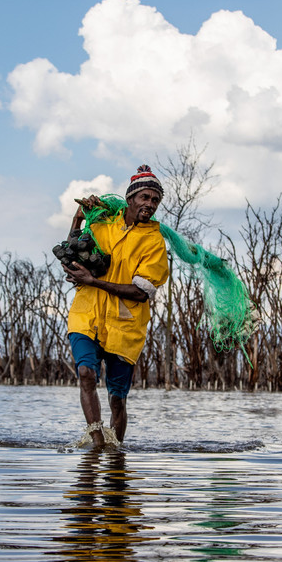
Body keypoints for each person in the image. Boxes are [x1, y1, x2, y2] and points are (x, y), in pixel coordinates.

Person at [64, 164, 170, 450]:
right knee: (86, 373)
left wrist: (93, 281)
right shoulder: (102, 225)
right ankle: (98, 442)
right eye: (144, 197)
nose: (150, 204)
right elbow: (72, 251)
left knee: (117, 398)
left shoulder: (154, 242)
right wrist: (78, 218)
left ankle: (115, 452)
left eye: (155, 200)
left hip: (125, 326)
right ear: (130, 199)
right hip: (86, 314)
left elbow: (140, 293)